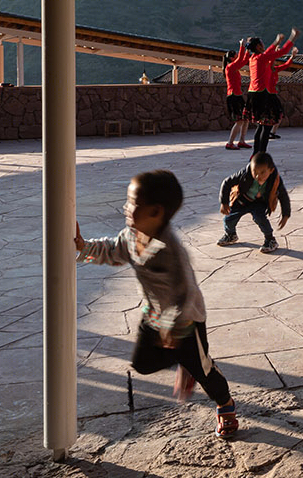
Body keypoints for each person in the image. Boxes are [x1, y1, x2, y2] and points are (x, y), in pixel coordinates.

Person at [76, 170, 237, 438]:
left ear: (156, 212)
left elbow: (182, 293)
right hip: (153, 314)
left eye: (133, 203)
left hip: (186, 321)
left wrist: (171, 328)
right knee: (143, 364)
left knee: (204, 370)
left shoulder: (170, 251)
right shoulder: (131, 236)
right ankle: (183, 363)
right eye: (128, 201)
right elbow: (112, 250)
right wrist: (84, 247)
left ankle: (225, 404)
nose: (126, 208)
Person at [218, 152, 292, 253]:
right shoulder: (245, 173)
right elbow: (227, 182)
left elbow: (283, 196)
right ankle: (230, 234)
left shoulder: (275, 179)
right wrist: (224, 202)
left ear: (271, 170)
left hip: (259, 202)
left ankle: (270, 240)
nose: (258, 176)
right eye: (255, 172)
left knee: (260, 219)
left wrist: (285, 214)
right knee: (229, 219)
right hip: (242, 199)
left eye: (262, 173)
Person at [244, 28, 299, 155]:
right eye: (262, 43)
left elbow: (269, 51)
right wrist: (292, 37)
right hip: (263, 95)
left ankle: (255, 154)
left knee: (260, 126)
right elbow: (283, 51)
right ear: (258, 46)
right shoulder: (262, 59)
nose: (263, 45)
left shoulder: (253, 59)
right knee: (266, 126)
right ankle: (261, 154)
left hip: (253, 94)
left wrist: (276, 42)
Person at [222, 40, 250, 149]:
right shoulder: (230, 67)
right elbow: (241, 59)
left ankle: (241, 140)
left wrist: (247, 50)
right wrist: (242, 46)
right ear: (232, 58)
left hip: (237, 95)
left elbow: (244, 60)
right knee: (239, 121)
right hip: (233, 96)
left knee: (245, 119)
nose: (238, 56)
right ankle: (230, 142)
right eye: (236, 55)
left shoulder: (234, 68)